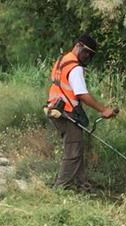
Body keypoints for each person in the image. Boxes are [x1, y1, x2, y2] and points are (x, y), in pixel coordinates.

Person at [46, 34, 117, 191]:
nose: (87, 56)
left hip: (55, 109)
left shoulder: (62, 60)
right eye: (86, 52)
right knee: (73, 151)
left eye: (90, 55)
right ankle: (60, 189)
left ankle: (80, 184)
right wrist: (104, 109)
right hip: (66, 112)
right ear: (78, 46)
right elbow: (81, 94)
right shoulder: (75, 67)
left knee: (76, 147)